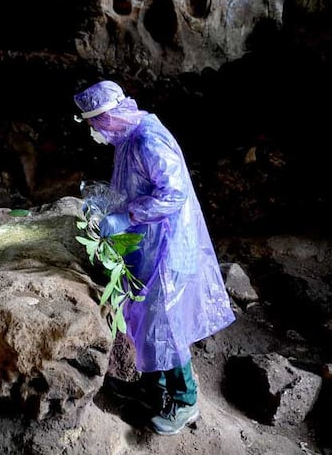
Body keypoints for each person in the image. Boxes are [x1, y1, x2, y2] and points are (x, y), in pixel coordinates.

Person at [73, 80, 235, 435]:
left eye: (94, 122)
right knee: (145, 322)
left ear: (108, 115)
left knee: (165, 325)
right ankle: (153, 390)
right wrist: (107, 207)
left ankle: (185, 400)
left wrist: (126, 217)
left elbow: (173, 194)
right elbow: (133, 185)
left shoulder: (147, 140)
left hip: (168, 247)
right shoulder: (128, 137)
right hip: (149, 243)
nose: (94, 130)